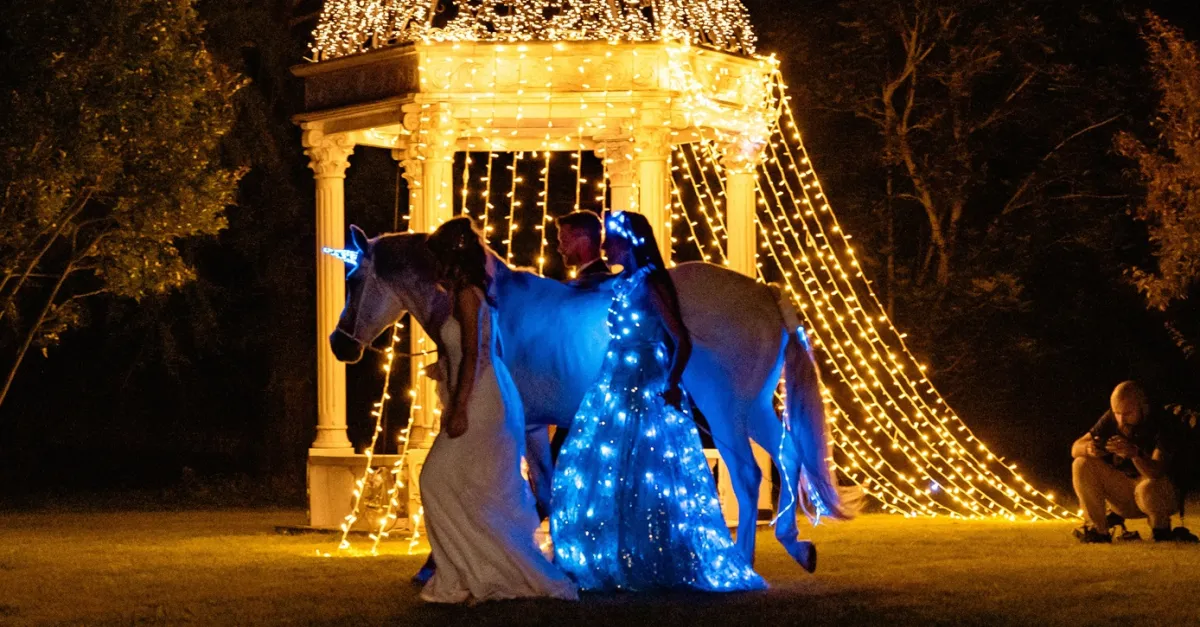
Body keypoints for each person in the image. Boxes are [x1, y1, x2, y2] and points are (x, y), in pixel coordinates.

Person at [550, 210, 767, 592]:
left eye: (611, 240)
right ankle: (614, 553)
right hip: (614, 377)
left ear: (629, 241)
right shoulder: (622, 283)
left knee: (648, 467)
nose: (605, 247)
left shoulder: (651, 283)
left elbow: (681, 337)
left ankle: (653, 555)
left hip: (645, 375)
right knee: (606, 470)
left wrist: (670, 382)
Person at [416, 216, 578, 603]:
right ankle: (473, 569)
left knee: (436, 480)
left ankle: (476, 568)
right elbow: (480, 349)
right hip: (485, 394)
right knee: (474, 486)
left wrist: (459, 407)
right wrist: (444, 367)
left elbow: (475, 353)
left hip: (481, 401)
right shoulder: (470, 294)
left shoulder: (469, 294)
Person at [1071, 381, 1198, 543]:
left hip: (1160, 495)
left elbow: (1156, 471)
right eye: (1117, 413)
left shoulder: (1163, 422)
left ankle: (1161, 529)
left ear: (1143, 407)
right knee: (1081, 463)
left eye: (1127, 414)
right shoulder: (1113, 418)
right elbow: (1075, 448)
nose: (1121, 420)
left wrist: (1134, 454)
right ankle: (1099, 531)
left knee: (1147, 487)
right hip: (1127, 494)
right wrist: (1090, 448)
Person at [555, 210, 611, 286]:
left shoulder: (593, 282)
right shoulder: (594, 277)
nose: (560, 249)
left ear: (584, 241)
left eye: (564, 241)